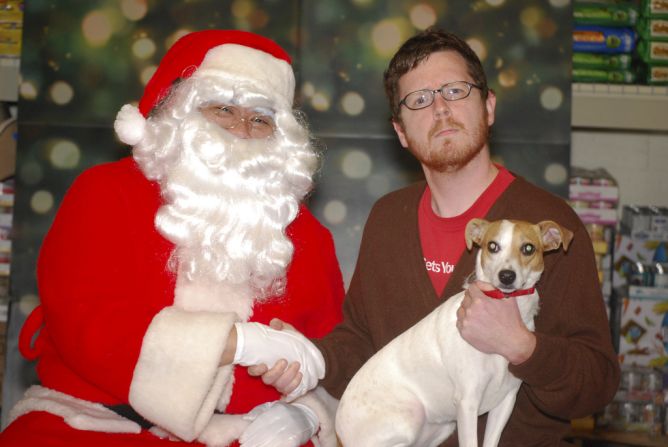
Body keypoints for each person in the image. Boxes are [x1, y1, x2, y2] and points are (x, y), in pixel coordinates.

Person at [254, 28, 621, 446]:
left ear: (488, 107)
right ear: (401, 132)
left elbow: (598, 383)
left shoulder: (548, 222)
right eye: (420, 100)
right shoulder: (388, 219)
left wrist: (523, 347)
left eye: (455, 90)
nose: (441, 108)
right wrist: (309, 358)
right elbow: (361, 343)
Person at [0, 30, 344, 447]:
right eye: (223, 109)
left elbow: (333, 348)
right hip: (97, 423)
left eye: (260, 119)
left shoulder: (308, 236)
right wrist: (237, 342)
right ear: (183, 112)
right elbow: (88, 326)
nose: (241, 129)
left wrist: (306, 408)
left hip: (251, 433)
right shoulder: (106, 193)